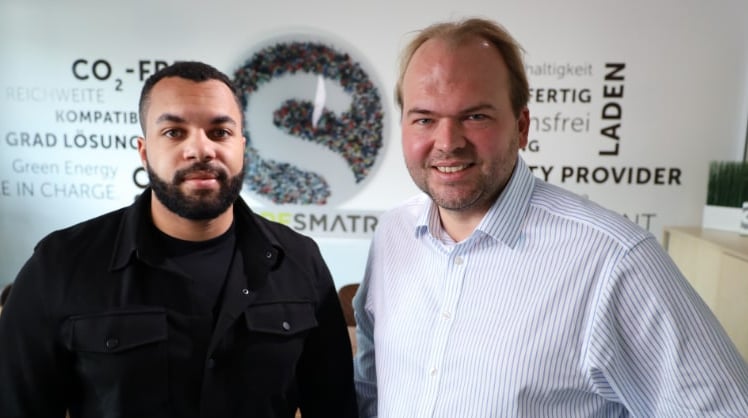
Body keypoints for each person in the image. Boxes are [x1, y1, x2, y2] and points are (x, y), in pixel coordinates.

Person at [353, 17, 748, 417]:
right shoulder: (393, 234)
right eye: (424, 119)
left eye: (475, 116)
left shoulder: (613, 261)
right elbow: (371, 388)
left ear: (522, 127)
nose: (448, 142)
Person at [0, 61, 358, 418]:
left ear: (242, 147)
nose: (200, 150)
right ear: (144, 152)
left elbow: (334, 406)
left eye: (220, 132)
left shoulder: (299, 260)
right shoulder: (61, 263)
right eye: (174, 132)